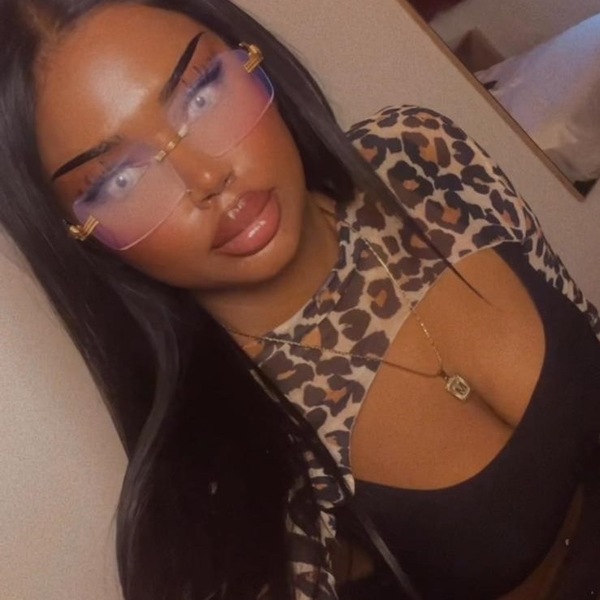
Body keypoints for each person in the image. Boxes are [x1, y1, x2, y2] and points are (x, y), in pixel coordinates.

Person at [1, 1, 599, 599]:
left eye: (201, 96)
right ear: (83, 239)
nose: (206, 178)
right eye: (121, 180)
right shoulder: (229, 482)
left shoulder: (412, 154)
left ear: (249, 55)